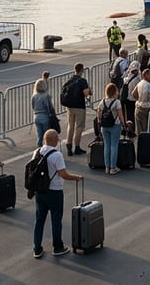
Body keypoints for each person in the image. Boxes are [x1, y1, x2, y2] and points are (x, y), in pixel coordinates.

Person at [29, 129, 83, 258]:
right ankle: (57, 247)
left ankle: (37, 248)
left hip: (40, 191)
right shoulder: (57, 155)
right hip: (54, 191)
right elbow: (63, 174)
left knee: (39, 220)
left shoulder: (37, 152)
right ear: (54, 140)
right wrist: (76, 177)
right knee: (56, 219)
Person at [61, 64, 91, 156]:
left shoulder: (70, 79)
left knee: (70, 126)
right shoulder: (82, 81)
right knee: (79, 127)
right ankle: (77, 147)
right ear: (81, 70)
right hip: (79, 106)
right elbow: (86, 94)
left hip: (69, 106)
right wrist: (90, 91)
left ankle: (69, 146)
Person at [97, 83, 127, 174]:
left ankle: (107, 167)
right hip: (115, 125)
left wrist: (100, 123)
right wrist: (124, 125)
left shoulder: (102, 102)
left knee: (106, 146)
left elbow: (99, 115)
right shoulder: (117, 102)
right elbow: (120, 115)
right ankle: (113, 168)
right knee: (114, 146)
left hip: (104, 126)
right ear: (115, 92)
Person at [31, 79, 56, 147]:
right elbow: (49, 107)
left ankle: (39, 147)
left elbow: (33, 106)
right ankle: (47, 147)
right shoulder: (46, 96)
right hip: (45, 116)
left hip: (36, 116)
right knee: (46, 134)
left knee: (39, 134)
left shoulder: (34, 96)